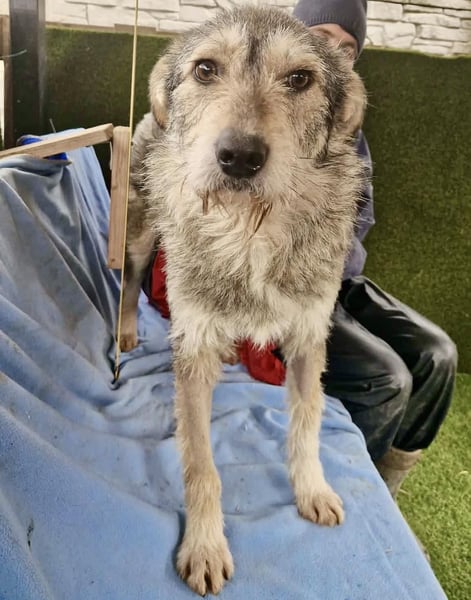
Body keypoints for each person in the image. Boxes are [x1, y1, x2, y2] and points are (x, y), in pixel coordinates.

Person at [292, 0, 457, 502]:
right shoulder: (259, 107)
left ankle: (383, 493)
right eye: (323, 37)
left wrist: (335, 258)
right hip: (286, 291)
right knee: (387, 379)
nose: (335, 55)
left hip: (339, 280)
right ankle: (341, 493)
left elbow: (361, 212)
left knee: (438, 356)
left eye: (349, 47)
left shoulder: (347, 122)